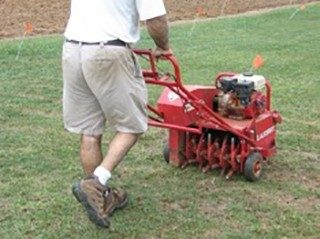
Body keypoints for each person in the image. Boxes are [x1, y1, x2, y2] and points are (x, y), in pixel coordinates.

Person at [62, 0, 171, 228]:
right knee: (133, 125)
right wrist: (163, 47)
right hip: (107, 49)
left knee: (90, 131)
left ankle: (102, 197)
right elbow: (156, 19)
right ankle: (97, 181)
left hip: (73, 49)